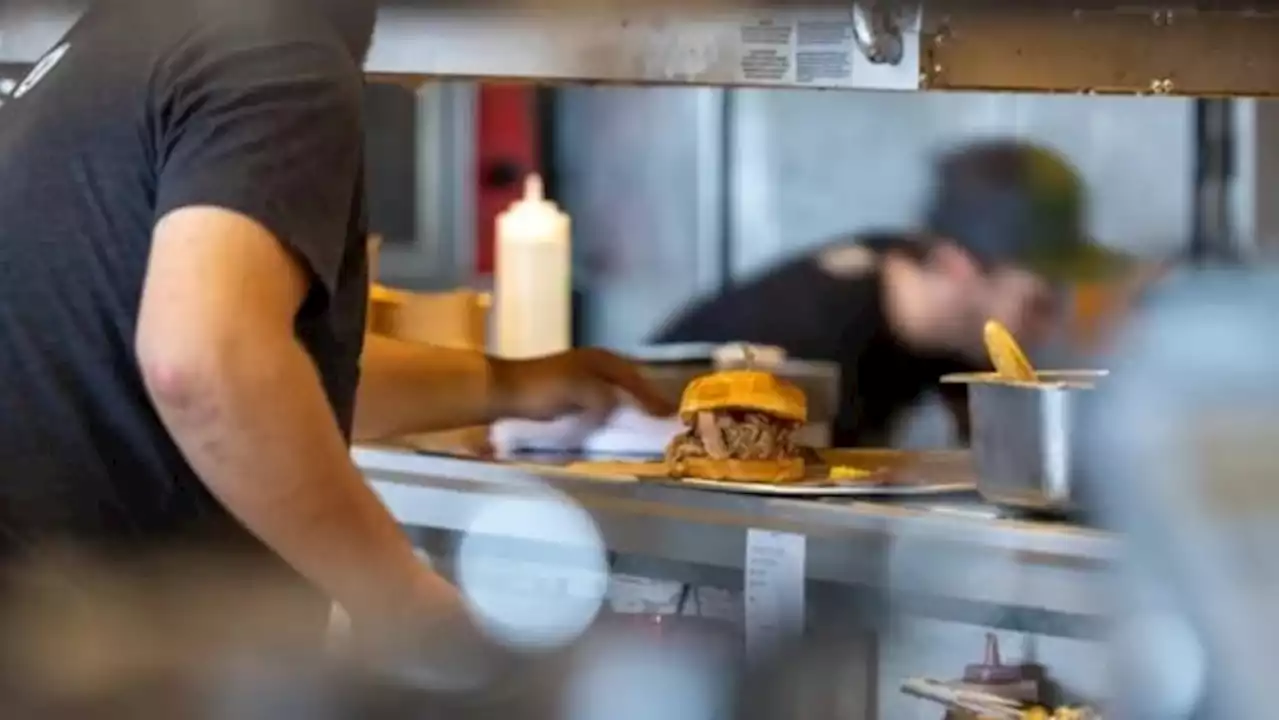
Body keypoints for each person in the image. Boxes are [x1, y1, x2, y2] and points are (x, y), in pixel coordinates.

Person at [0, 0, 672, 641]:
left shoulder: (118, 38)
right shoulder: (278, 50)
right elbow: (206, 364)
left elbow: (268, 368)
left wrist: (511, 385)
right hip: (132, 655)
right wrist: (403, 600)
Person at [654, 141, 1127, 448]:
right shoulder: (809, 343)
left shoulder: (932, 312)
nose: (1046, 330)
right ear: (956, 265)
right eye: (1037, 304)